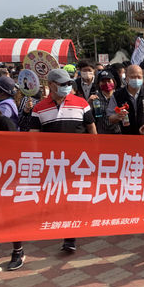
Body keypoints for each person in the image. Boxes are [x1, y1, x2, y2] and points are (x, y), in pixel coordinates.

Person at [30, 69, 97, 253]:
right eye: (62, 84)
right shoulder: (39, 108)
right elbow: (33, 137)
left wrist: (94, 152)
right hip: (53, 164)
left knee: (72, 198)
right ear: (51, 85)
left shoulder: (81, 104)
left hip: (77, 162)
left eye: (69, 84)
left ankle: (70, 237)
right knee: (58, 198)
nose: (68, 87)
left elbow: (91, 128)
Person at [0, 93, 25, 277]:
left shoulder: (4, 124)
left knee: (10, 215)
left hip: (6, 178)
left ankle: (18, 251)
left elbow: (17, 150)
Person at [107, 65, 144, 135]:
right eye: (132, 77)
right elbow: (110, 117)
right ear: (126, 78)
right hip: (128, 136)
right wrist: (117, 116)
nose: (136, 79)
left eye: (139, 77)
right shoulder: (117, 95)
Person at [90, 70, 121, 135]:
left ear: (114, 82)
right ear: (99, 83)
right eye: (103, 81)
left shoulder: (120, 96)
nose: (106, 83)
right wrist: (89, 103)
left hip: (118, 132)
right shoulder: (95, 98)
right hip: (101, 133)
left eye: (109, 81)